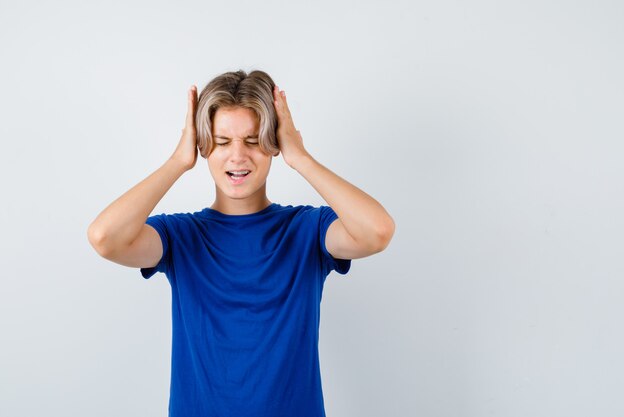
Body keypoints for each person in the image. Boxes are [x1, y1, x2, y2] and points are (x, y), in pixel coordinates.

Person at [87, 69, 395, 417]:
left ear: (274, 143)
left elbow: (377, 231)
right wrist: (177, 162)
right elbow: (104, 238)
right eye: (221, 142)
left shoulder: (307, 230)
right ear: (203, 146)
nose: (238, 156)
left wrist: (302, 158)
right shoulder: (181, 236)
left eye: (252, 141)